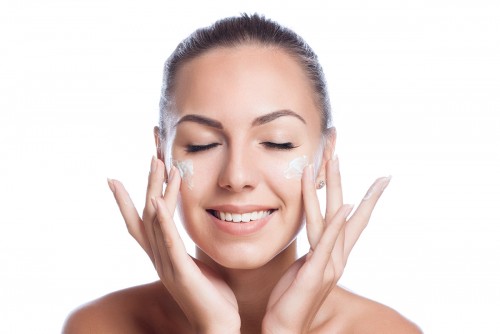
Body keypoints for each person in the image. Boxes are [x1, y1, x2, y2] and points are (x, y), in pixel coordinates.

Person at [63, 13, 421, 334]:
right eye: (202, 144)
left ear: (325, 156)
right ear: (162, 154)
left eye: (277, 143)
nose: (236, 177)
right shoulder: (100, 326)